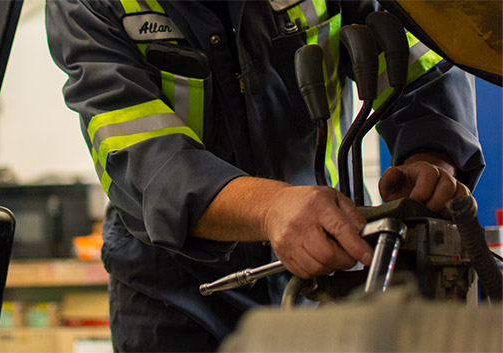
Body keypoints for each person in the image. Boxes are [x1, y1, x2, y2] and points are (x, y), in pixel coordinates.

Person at [46, 1, 484, 351]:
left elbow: (417, 64)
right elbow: (144, 156)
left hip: (333, 259)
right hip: (173, 290)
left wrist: (432, 158)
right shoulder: (89, 6)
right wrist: (272, 207)